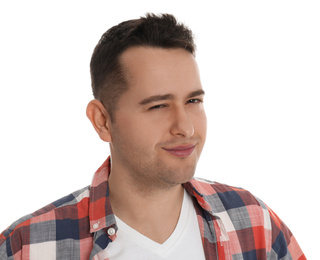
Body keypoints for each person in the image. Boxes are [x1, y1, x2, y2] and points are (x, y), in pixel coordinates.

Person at [0, 13, 305, 260]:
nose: (185, 128)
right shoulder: (27, 247)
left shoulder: (253, 222)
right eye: (159, 106)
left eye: (193, 101)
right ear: (102, 120)